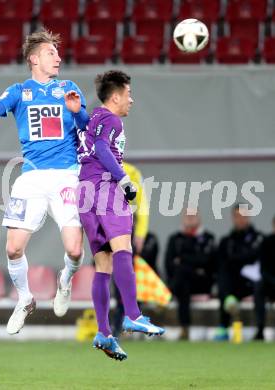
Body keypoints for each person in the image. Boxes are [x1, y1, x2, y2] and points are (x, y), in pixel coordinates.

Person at [0, 29, 89, 335]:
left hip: (66, 175)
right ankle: (25, 298)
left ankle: (65, 281)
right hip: (32, 178)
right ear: (34, 59)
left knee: (74, 251)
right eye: (51, 53)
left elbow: (86, 125)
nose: (58, 58)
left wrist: (77, 113)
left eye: (58, 54)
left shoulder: (69, 88)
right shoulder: (19, 91)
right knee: (13, 249)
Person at [77, 70, 164, 361]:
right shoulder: (111, 120)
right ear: (115, 97)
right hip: (105, 189)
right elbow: (102, 148)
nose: (132, 100)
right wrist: (123, 179)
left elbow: (90, 143)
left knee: (104, 264)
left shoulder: (93, 119)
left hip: (85, 193)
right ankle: (133, 314)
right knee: (123, 248)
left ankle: (104, 332)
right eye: (128, 94)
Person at [111, 161, 159, 337]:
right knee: (115, 278)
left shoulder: (132, 172)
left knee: (125, 277)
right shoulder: (98, 166)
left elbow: (142, 204)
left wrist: (140, 233)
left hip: (126, 231)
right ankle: (123, 320)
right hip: (106, 232)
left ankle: (125, 319)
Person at [214, 204, 263, 341]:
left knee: (260, 284)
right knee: (223, 275)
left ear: (249, 217)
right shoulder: (226, 241)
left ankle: (260, 330)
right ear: (232, 218)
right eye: (237, 216)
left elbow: (253, 256)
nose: (240, 219)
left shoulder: (259, 239)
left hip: (253, 284)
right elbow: (222, 262)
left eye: (243, 216)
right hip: (233, 284)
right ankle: (223, 326)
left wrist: (235, 259)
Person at [165, 209, 215, 340]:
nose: (190, 218)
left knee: (181, 271)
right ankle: (185, 328)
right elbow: (169, 264)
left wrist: (181, 260)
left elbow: (206, 261)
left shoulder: (208, 238)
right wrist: (194, 265)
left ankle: (167, 294)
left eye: (193, 215)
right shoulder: (174, 239)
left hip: (201, 282)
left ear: (199, 217)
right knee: (183, 282)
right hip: (182, 284)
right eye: (188, 215)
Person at [253, 216, 275, 340]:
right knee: (258, 286)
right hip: (270, 283)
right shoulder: (267, 242)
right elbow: (263, 269)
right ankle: (260, 328)